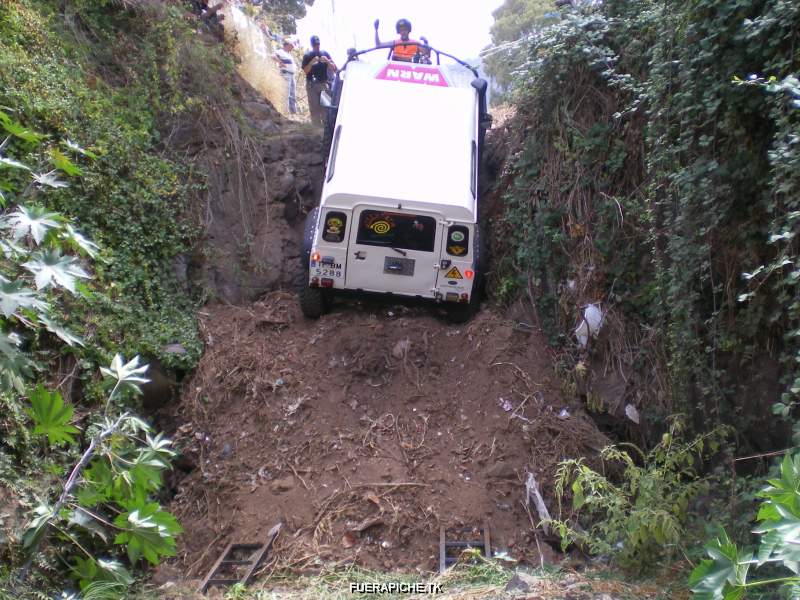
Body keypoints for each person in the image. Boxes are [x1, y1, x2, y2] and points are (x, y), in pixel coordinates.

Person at [302, 35, 337, 126]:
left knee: (326, 108)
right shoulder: (307, 55)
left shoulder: (325, 53)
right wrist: (311, 62)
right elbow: (305, 71)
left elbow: (334, 69)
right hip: (311, 85)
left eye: (318, 44)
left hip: (323, 84)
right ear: (312, 45)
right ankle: (316, 131)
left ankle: (327, 130)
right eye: (315, 45)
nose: (317, 46)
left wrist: (327, 61)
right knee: (314, 109)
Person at [273, 37, 297, 114]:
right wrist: (280, 62)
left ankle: (293, 112)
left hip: (291, 75)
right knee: (286, 93)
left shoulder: (289, 55)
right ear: (288, 45)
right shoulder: (280, 51)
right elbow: (272, 56)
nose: (292, 48)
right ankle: (285, 112)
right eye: (292, 46)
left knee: (292, 94)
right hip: (286, 74)